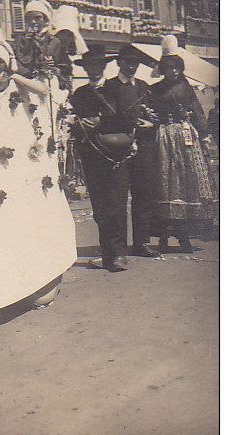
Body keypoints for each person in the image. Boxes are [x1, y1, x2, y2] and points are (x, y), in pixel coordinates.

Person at [71, 45, 156, 272]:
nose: (94, 69)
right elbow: (76, 120)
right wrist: (78, 125)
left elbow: (128, 120)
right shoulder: (79, 94)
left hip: (116, 154)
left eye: (98, 64)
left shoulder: (116, 88)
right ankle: (107, 252)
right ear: (86, 68)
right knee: (99, 206)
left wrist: (100, 121)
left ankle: (118, 255)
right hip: (92, 155)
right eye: (89, 66)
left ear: (104, 66)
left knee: (116, 203)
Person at [148, 36, 216, 253]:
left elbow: (196, 111)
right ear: (163, 69)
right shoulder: (155, 90)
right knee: (165, 183)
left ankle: (185, 234)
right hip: (165, 137)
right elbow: (150, 113)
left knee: (188, 184)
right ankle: (163, 235)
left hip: (186, 138)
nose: (174, 72)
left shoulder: (187, 87)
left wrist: (204, 135)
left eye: (177, 68)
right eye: (169, 68)